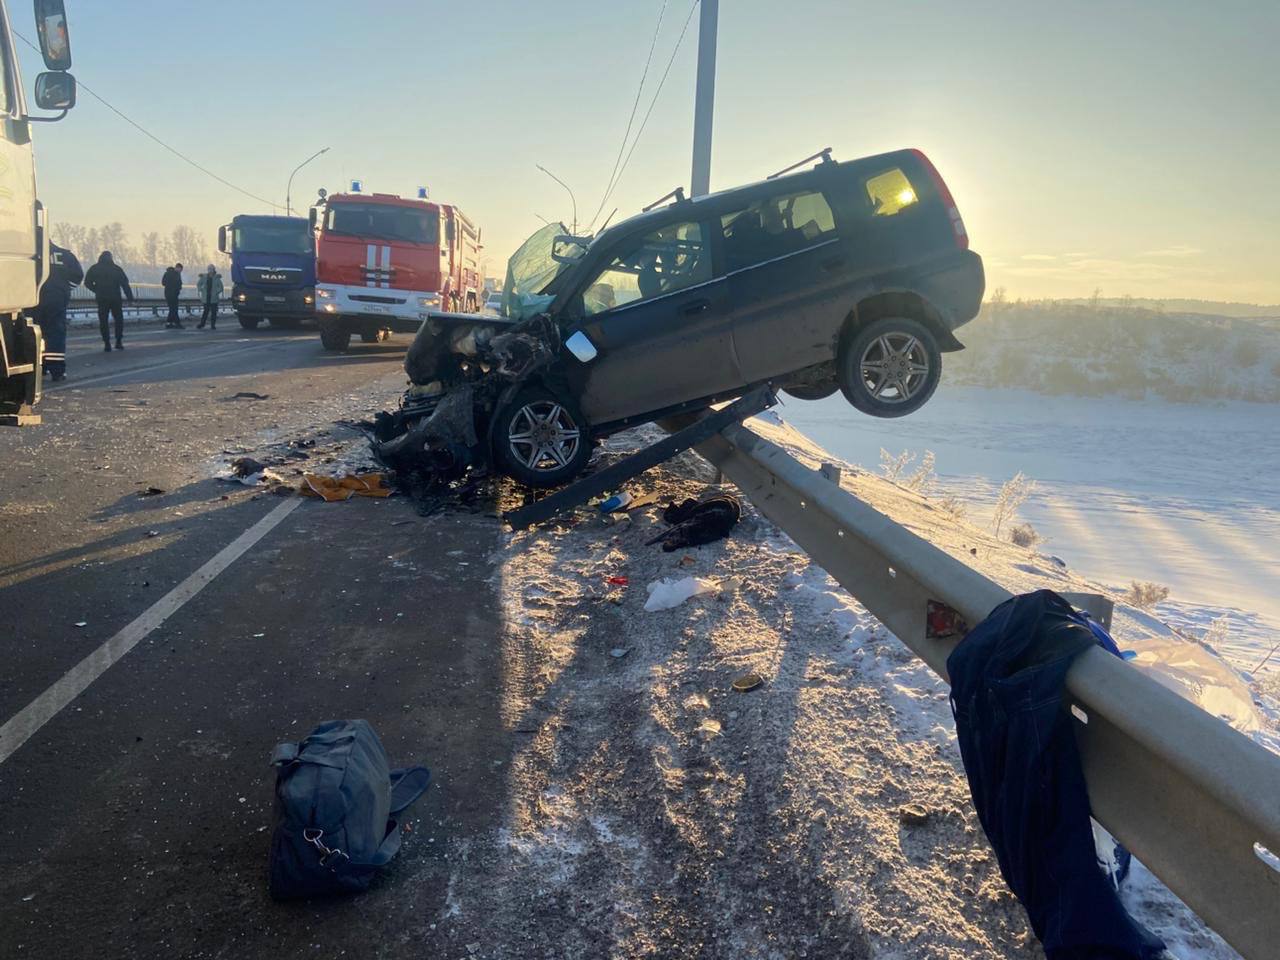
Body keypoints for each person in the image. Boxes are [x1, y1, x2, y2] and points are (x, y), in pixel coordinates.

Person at [37, 244, 84, 381]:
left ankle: (40, 366)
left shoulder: (29, 254)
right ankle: (57, 370)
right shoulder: (64, 255)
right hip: (56, 299)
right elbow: (77, 275)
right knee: (55, 332)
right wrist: (64, 289)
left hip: (32, 299)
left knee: (34, 332)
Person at [83, 250, 134, 351]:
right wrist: (130, 298)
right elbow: (125, 284)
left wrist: (96, 289)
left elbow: (87, 282)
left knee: (103, 321)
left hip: (102, 298)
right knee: (119, 320)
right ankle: (118, 341)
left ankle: (107, 343)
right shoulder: (116, 269)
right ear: (111, 258)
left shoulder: (94, 268)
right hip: (116, 298)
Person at [196, 264, 223, 330]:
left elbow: (221, 287)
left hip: (214, 298)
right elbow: (198, 284)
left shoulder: (217, 278)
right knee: (205, 312)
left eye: (212, 269)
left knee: (213, 313)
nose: (210, 270)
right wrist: (201, 289)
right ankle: (202, 324)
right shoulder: (204, 277)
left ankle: (213, 325)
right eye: (209, 269)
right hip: (206, 297)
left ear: (214, 270)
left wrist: (216, 292)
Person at [161, 262, 184, 328]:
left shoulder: (169, 273)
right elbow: (165, 283)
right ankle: (176, 323)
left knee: (172, 309)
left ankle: (170, 323)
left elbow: (163, 282)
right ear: (177, 268)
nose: (180, 271)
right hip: (171, 294)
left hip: (170, 293)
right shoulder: (173, 274)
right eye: (180, 270)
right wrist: (175, 287)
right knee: (174, 309)